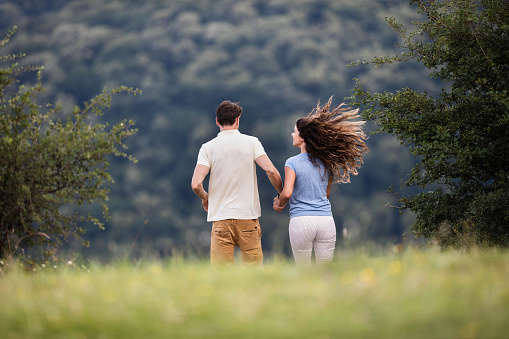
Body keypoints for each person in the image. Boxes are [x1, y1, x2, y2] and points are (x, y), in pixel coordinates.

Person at [273, 97, 368, 266]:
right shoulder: (327, 162)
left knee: (303, 269)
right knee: (326, 270)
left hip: (301, 220)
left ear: (302, 137)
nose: (292, 134)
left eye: (294, 131)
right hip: (325, 220)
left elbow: (287, 193)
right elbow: (326, 194)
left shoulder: (292, 162)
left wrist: (279, 203)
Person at [191, 100, 283, 266]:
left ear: (217, 121)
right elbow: (271, 171)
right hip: (248, 218)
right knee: (254, 272)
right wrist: (281, 195)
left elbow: (196, 184)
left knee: (222, 275)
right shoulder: (252, 142)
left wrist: (205, 197)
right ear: (238, 120)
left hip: (221, 219)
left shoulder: (207, 148)